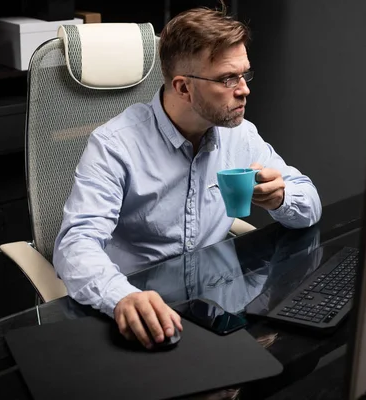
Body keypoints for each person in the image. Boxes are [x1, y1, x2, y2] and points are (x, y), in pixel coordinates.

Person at [52, 4, 322, 349]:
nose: (244, 90)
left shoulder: (239, 134)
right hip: (146, 313)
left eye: (245, 75)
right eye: (227, 79)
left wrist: (282, 198)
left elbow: (309, 201)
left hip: (218, 308)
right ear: (183, 87)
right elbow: (76, 244)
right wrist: (120, 296)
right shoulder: (115, 145)